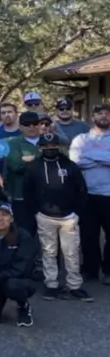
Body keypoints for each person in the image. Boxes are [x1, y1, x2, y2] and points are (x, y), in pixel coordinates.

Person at [26, 133, 89, 301]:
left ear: (59, 146)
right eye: (45, 146)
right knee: (48, 252)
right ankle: (51, 284)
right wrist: (36, 211)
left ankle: (74, 285)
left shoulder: (70, 165)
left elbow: (82, 190)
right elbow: (28, 192)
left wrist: (77, 212)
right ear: (40, 148)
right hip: (45, 216)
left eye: (53, 145)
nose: (49, 149)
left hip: (69, 216)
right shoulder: (34, 167)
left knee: (71, 252)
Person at [0, 202, 38, 326]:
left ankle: (23, 305)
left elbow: (21, 268)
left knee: (13, 285)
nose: (0, 219)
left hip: (18, 280)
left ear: (11, 218)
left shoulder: (23, 236)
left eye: (4, 215)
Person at [69, 104, 110, 282]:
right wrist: (104, 159)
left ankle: (108, 270)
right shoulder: (81, 139)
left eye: (107, 114)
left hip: (109, 194)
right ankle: (90, 269)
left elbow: (84, 159)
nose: (104, 116)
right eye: (100, 113)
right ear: (93, 117)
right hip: (87, 194)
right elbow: (75, 161)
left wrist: (90, 158)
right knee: (88, 235)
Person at [2, 110, 43, 234]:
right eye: (27, 124)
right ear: (20, 127)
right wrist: (41, 156)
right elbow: (16, 166)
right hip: (21, 196)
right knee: (25, 233)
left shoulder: (47, 139)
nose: (31, 126)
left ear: (40, 124)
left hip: (46, 197)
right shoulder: (13, 143)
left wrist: (31, 159)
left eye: (35, 123)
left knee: (49, 238)